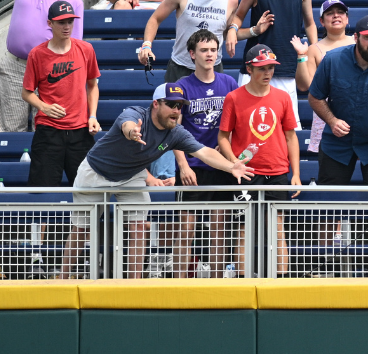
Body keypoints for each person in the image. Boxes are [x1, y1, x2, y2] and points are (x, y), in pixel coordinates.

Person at [67, 84, 251, 279]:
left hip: (131, 174)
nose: (176, 111)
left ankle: (134, 284)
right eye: (171, 104)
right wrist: (132, 133)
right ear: (155, 104)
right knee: (82, 229)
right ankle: (62, 279)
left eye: (180, 106)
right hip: (96, 171)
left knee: (139, 226)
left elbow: (204, 152)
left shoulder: (176, 133)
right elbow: (127, 125)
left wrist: (231, 166)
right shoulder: (135, 114)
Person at [219, 44, 301, 277]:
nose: (267, 73)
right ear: (249, 69)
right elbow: (223, 137)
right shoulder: (234, 98)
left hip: (277, 172)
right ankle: (244, 281)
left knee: (277, 229)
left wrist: (295, 174)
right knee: (244, 230)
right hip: (246, 173)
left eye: (271, 68)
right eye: (262, 68)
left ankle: (282, 282)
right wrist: (235, 163)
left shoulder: (283, 97)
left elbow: (291, 136)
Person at [308, 15, 368, 186]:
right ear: (356, 37)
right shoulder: (332, 60)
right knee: (330, 204)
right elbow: (315, 96)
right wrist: (332, 120)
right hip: (336, 143)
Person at [174, 29, 241, 277]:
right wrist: (183, 166)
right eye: (204, 50)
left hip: (221, 166)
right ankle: (179, 282)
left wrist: (226, 149)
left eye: (213, 49)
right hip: (193, 166)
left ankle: (215, 282)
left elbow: (236, 125)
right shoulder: (181, 87)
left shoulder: (229, 83)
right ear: (192, 54)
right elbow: (175, 130)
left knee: (219, 229)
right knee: (186, 229)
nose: (209, 54)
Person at [22, 2, 101, 188]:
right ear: (50, 23)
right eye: (61, 22)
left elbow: (93, 85)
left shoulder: (86, 49)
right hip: (48, 132)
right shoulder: (37, 54)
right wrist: (44, 107)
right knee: (42, 191)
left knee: (89, 192)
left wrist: (92, 116)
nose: (67, 27)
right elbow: (26, 92)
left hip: (80, 131)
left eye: (70, 22)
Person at [0, 0, 84, 133]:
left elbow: (75, 42)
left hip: (52, 70)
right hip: (16, 65)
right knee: (11, 128)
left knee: (45, 127)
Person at [228, 0, 318, 129]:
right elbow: (238, 16)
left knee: (286, 129)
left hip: (286, 69)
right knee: (245, 126)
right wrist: (232, 29)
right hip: (255, 68)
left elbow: (309, 23)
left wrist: (314, 48)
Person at [292, 0, 355, 160]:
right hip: (327, 114)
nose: (335, 16)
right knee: (331, 169)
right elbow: (305, 85)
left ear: (347, 18)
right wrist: (301, 56)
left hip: (357, 109)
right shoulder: (314, 49)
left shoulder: (357, 42)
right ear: (321, 21)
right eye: (329, 13)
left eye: (340, 12)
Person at [138, 0, 245, 83]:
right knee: (173, 110)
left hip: (212, 68)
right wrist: (147, 45)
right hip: (181, 66)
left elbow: (225, 34)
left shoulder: (231, 2)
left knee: (213, 111)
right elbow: (155, 19)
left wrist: (248, 30)